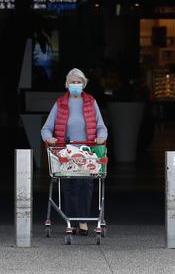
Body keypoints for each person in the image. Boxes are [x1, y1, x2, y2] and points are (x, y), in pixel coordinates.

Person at [41, 68, 108, 235]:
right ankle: (70, 220)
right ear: (67, 84)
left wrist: (100, 137)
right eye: (72, 82)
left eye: (79, 82)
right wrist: (49, 138)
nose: (75, 85)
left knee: (85, 184)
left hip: (87, 153)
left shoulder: (91, 102)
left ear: (84, 85)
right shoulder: (60, 103)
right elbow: (46, 128)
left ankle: (83, 222)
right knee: (70, 185)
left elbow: (101, 127)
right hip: (67, 152)